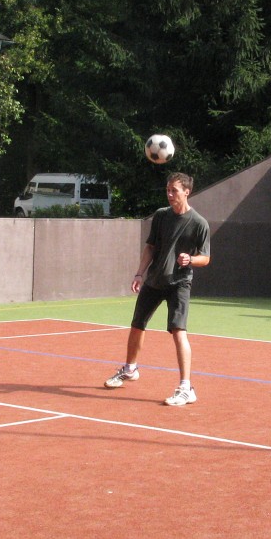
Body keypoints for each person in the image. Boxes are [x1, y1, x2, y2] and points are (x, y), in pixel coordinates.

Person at [104, 172, 211, 406]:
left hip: (179, 283)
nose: (170, 194)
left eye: (174, 190)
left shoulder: (199, 223)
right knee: (137, 325)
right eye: (167, 190)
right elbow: (150, 248)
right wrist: (139, 273)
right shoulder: (161, 216)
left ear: (187, 192)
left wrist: (191, 260)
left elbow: (205, 258)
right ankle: (130, 369)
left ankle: (186, 388)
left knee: (178, 331)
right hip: (154, 281)